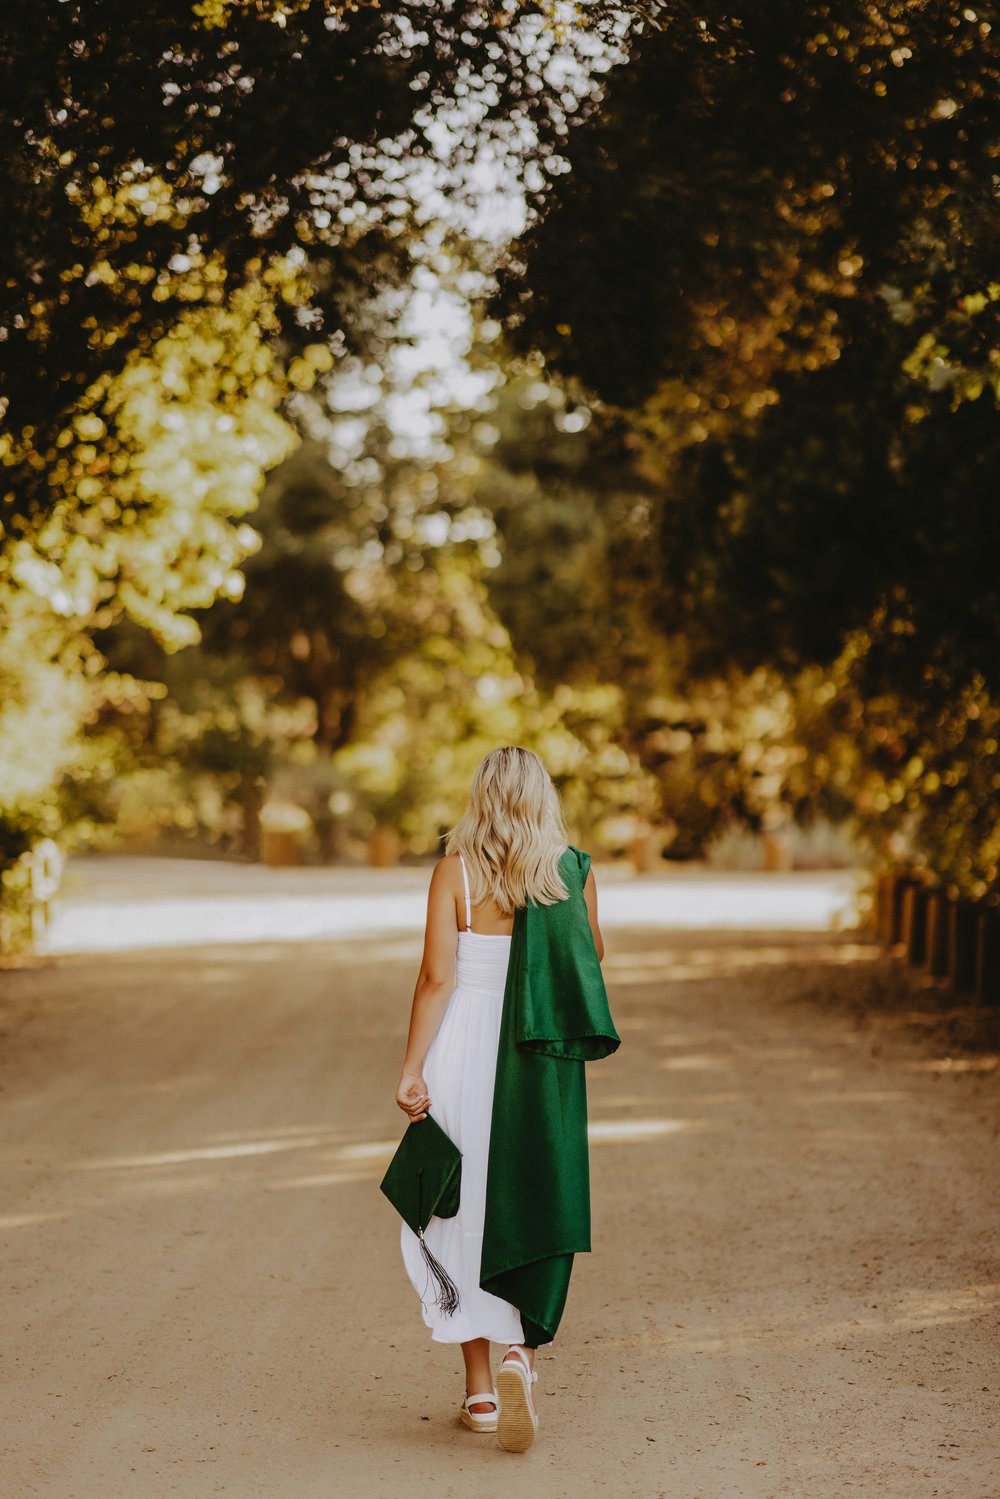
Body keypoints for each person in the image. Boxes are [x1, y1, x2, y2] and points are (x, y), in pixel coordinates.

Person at [394, 745, 615, 1452]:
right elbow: (592, 958)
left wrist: (411, 1066)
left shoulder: (453, 874)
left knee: (463, 1205)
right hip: (537, 1056)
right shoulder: (571, 872)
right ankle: (524, 1352)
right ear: (543, 799)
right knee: (534, 1193)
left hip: (465, 1050)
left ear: (481, 797)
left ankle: (482, 1392)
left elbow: (435, 977)